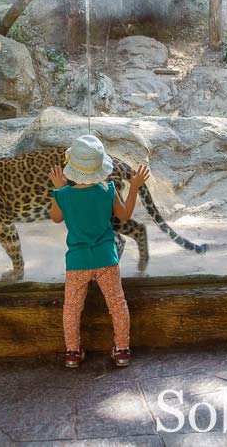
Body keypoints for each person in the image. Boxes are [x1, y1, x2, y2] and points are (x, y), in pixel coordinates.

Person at [49, 134, 150, 369]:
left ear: (71, 167)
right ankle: (122, 350)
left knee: (72, 308)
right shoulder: (107, 190)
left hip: (77, 262)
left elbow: (55, 218)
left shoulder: (64, 194)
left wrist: (58, 189)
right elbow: (124, 216)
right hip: (107, 258)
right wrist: (134, 187)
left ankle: (73, 352)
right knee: (117, 304)